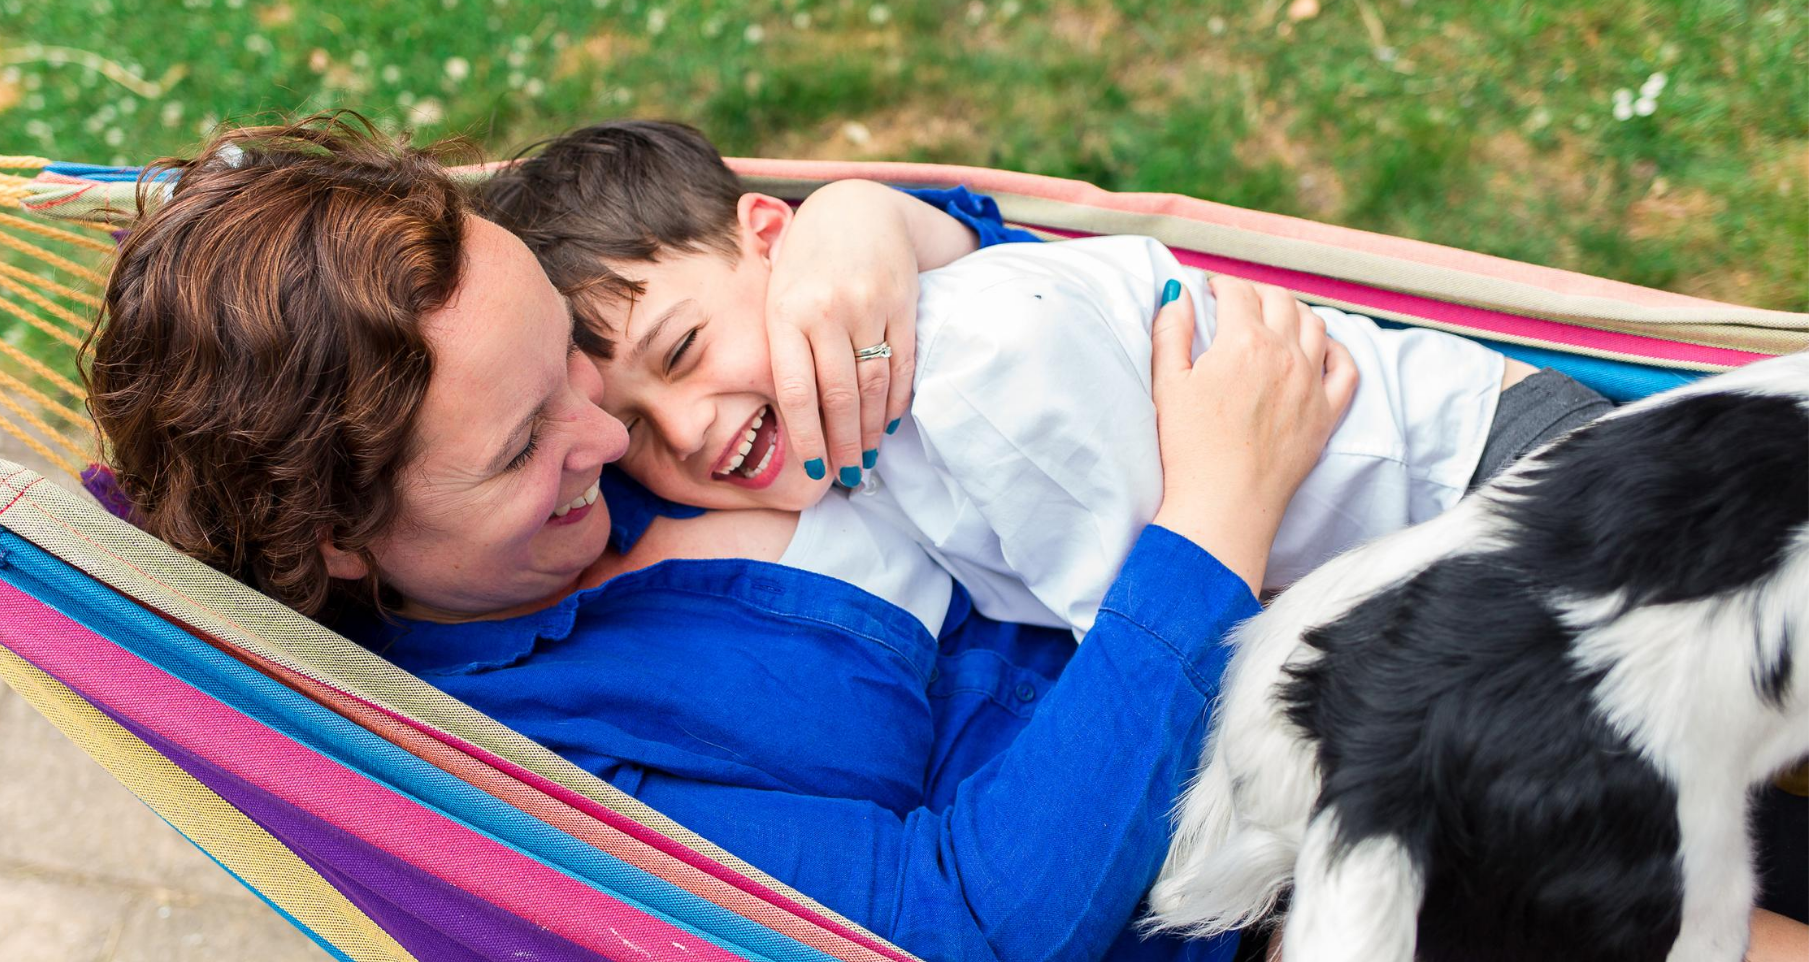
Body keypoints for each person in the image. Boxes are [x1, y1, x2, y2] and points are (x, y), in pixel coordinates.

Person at [83, 114, 1804, 962]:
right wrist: (1212, 514)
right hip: (1268, 906)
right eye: (530, 440)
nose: (612, 435)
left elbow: (957, 295)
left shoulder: (645, 407)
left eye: (573, 366)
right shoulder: (529, 759)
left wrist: (870, 225)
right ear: (344, 544)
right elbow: (963, 934)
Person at [482, 121, 1620, 640]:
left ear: (778, 240)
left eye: (682, 350)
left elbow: (1169, 645)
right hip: (1422, 562)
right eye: (632, 430)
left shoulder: (978, 377)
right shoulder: (847, 435)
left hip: (1503, 487)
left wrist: (867, 210)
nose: (684, 429)